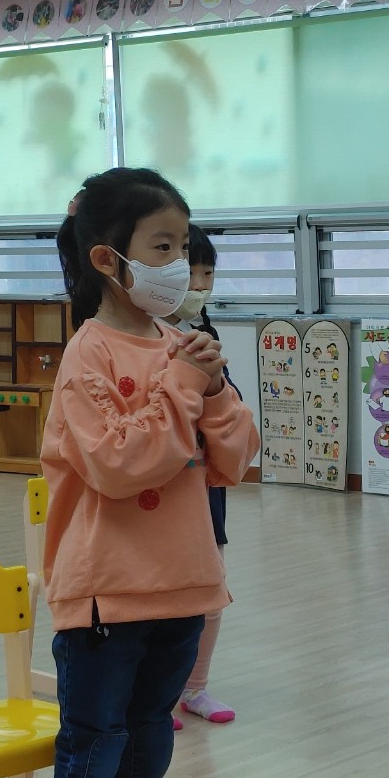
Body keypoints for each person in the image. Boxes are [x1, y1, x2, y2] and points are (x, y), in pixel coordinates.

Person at [44, 168, 259, 778]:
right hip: (109, 597)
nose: (179, 265)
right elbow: (119, 465)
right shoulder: (87, 355)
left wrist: (215, 390)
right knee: (94, 756)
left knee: (146, 755)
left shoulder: (181, 348)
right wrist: (188, 388)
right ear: (108, 260)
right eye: (161, 248)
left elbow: (234, 459)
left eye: (183, 247)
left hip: (183, 586)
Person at [169, 224, 239, 726]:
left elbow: (225, 404)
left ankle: (196, 687)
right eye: (190, 273)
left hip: (205, 486)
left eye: (207, 273)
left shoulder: (204, 331)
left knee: (212, 589)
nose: (199, 284)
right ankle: (159, 694)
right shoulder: (140, 336)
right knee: (167, 598)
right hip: (165, 488)